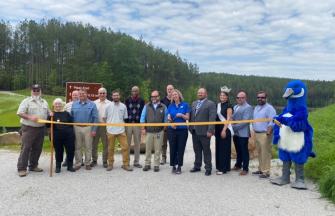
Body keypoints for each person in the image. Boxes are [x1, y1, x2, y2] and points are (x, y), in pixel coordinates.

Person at [17, 84, 50, 177]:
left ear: (40, 91)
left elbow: (47, 111)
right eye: (34, 90)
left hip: (41, 128)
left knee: (37, 148)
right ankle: (21, 168)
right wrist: (30, 117)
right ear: (31, 91)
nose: (36, 92)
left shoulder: (44, 102)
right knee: (26, 148)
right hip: (29, 128)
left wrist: (50, 112)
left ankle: (33, 166)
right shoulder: (26, 101)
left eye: (38, 90)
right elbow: (20, 113)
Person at [189, 88, 216, 176]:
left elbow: (212, 118)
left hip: (205, 132)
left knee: (206, 150)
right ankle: (197, 166)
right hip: (194, 131)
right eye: (199, 93)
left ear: (206, 94)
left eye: (202, 93)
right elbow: (191, 116)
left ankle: (208, 168)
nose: (200, 94)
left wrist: (210, 130)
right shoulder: (194, 103)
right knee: (197, 150)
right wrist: (190, 127)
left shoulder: (211, 104)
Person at [105, 90, 133, 171]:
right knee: (110, 148)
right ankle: (110, 164)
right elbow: (105, 117)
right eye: (114, 95)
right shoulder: (108, 106)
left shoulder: (123, 106)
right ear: (112, 96)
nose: (116, 97)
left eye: (117, 95)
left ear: (119, 96)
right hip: (110, 130)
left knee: (125, 147)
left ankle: (126, 164)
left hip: (121, 130)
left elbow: (125, 118)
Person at [71, 88, 98, 171]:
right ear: (78, 95)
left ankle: (87, 163)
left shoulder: (92, 104)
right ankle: (78, 163)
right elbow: (71, 117)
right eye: (80, 94)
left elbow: (95, 118)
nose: (82, 95)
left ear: (87, 94)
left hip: (88, 128)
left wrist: (94, 130)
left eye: (83, 93)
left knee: (88, 146)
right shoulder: (74, 104)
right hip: (76, 127)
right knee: (77, 146)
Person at [141, 90, 167, 172]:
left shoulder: (163, 107)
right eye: (152, 96)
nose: (154, 98)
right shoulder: (147, 106)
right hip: (149, 131)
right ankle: (147, 164)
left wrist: (164, 127)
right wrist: (143, 128)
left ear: (159, 96)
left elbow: (166, 119)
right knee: (148, 148)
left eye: (155, 96)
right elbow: (142, 117)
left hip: (159, 131)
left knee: (158, 149)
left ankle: (156, 165)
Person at [252, 91, 276, 178]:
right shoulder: (256, 107)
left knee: (265, 152)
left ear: (266, 98)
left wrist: (269, 131)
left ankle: (266, 172)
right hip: (257, 133)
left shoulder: (270, 108)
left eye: (262, 97)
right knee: (259, 152)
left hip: (265, 133)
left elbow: (272, 120)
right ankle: (261, 169)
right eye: (258, 97)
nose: (260, 99)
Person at [48, 98, 76, 173]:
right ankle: (58, 166)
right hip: (56, 136)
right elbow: (47, 125)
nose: (58, 105)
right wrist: (49, 116)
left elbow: (72, 123)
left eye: (59, 104)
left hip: (68, 136)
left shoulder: (66, 113)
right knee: (58, 151)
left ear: (62, 105)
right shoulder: (52, 114)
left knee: (70, 150)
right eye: (56, 104)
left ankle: (70, 166)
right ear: (53, 105)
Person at [167, 89, 190, 174]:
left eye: (175, 94)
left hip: (182, 130)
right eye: (173, 95)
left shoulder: (185, 105)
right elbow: (169, 118)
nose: (174, 96)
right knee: (173, 148)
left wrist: (181, 115)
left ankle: (179, 166)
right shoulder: (170, 106)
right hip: (172, 130)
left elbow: (187, 118)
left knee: (181, 148)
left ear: (179, 95)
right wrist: (170, 121)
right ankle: (173, 165)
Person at [232, 90, 253, 176]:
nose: (240, 99)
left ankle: (245, 168)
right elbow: (232, 118)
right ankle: (238, 165)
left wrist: (233, 127)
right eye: (238, 97)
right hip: (236, 133)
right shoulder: (235, 106)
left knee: (244, 151)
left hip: (243, 133)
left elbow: (245, 121)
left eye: (242, 97)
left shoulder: (248, 107)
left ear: (245, 98)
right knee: (238, 150)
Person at [215, 86, 234, 175]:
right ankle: (220, 166)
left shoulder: (229, 106)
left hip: (225, 129)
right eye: (221, 95)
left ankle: (223, 168)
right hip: (218, 128)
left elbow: (228, 119)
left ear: (227, 97)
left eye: (224, 95)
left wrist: (224, 130)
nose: (222, 97)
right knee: (219, 148)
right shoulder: (218, 105)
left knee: (224, 149)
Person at [125, 86, 145, 168]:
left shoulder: (142, 101)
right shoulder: (127, 100)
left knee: (137, 144)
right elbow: (124, 112)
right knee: (127, 144)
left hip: (137, 124)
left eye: (136, 91)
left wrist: (143, 125)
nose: (134, 92)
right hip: (128, 124)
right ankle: (127, 161)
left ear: (138, 91)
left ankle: (136, 162)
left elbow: (143, 113)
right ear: (131, 91)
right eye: (133, 91)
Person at [91, 87, 111, 168]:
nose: (102, 94)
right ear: (98, 94)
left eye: (103, 93)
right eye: (100, 93)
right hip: (95, 125)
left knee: (105, 144)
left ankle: (104, 161)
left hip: (105, 126)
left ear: (106, 94)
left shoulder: (110, 103)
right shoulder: (94, 103)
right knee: (94, 144)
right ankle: (94, 160)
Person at [62, 90, 79, 167]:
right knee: (68, 144)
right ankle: (67, 159)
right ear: (71, 96)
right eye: (73, 95)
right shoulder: (67, 105)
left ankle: (79, 159)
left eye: (76, 95)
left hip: (78, 126)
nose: (75, 96)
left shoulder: (81, 104)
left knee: (78, 144)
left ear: (79, 96)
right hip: (69, 128)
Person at [160, 84, 174, 165]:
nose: (169, 90)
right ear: (166, 90)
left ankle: (173, 158)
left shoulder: (176, 99)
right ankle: (163, 158)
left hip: (173, 125)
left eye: (171, 89)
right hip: (165, 125)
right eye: (168, 89)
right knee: (163, 143)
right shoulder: (162, 101)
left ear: (173, 90)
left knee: (172, 142)